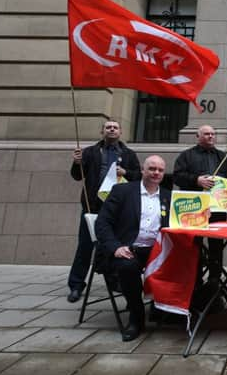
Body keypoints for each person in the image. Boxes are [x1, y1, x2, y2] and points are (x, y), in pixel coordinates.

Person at [95, 155, 171, 341]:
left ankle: (165, 309)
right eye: (152, 168)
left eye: (160, 170)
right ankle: (136, 317)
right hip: (129, 249)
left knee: (190, 260)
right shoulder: (122, 191)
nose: (156, 173)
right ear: (143, 171)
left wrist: (202, 214)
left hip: (158, 250)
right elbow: (102, 223)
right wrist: (115, 247)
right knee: (127, 267)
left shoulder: (169, 196)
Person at [67, 120, 141, 303]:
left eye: (115, 127)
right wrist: (77, 163)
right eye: (108, 127)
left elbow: (138, 176)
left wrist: (126, 172)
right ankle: (76, 285)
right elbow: (77, 175)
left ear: (120, 132)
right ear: (102, 131)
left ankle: (115, 281)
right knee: (85, 246)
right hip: (93, 206)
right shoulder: (90, 152)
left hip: (117, 210)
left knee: (114, 246)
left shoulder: (129, 154)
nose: (112, 129)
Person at [173, 125, 227, 310]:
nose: (211, 136)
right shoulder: (186, 156)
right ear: (198, 136)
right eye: (207, 134)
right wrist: (197, 180)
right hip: (194, 209)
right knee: (193, 246)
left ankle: (214, 286)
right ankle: (194, 286)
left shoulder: (222, 155)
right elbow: (177, 177)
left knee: (216, 248)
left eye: (213, 133)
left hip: (218, 208)